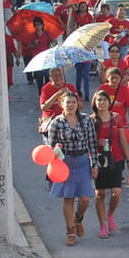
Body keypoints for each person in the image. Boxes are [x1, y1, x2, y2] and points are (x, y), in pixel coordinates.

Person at [46, 92, 99, 247]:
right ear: (62, 104)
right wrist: (55, 152)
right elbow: (50, 145)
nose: (70, 105)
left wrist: (94, 165)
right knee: (68, 197)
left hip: (82, 161)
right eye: (67, 102)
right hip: (65, 162)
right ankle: (70, 231)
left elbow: (92, 143)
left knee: (85, 198)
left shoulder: (86, 120)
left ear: (78, 104)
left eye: (73, 102)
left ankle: (78, 219)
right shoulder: (57, 122)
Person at [90, 90, 129, 239]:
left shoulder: (117, 118)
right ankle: (102, 225)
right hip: (99, 160)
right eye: (99, 100)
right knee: (100, 194)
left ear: (109, 103)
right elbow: (87, 142)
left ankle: (110, 215)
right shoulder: (91, 120)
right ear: (95, 103)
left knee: (116, 193)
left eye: (104, 100)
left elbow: (123, 139)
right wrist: (97, 143)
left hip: (116, 159)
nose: (101, 103)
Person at [68, 1, 95, 101]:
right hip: (77, 47)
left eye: (85, 6)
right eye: (81, 6)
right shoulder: (75, 15)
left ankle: (87, 94)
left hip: (87, 51)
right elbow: (71, 25)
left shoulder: (89, 16)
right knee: (78, 74)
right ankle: (78, 91)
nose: (83, 7)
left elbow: (92, 27)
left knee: (86, 75)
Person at [22, 16, 52, 92]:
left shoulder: (47, 34)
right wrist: (34, 44)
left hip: (46, 56)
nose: (37, 26)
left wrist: (53, 43)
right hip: (37, 57)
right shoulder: (33, 35)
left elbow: (52, 42)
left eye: (38, 24)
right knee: (39, 76)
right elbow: (28, 46)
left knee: (47, 75)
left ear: (42, 25)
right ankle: (40, 92)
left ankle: (46, 90)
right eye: (35, 25)